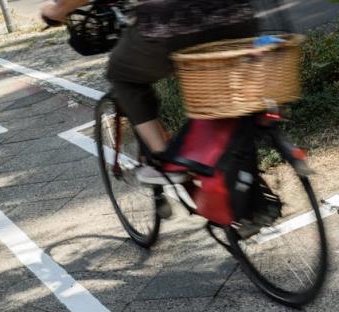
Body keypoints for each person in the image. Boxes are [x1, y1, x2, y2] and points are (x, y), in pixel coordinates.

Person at [41, 0, 258, 185]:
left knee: (121, 75)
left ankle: (163, 158)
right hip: (239, 15)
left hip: (173, 23)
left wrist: (54, 12)